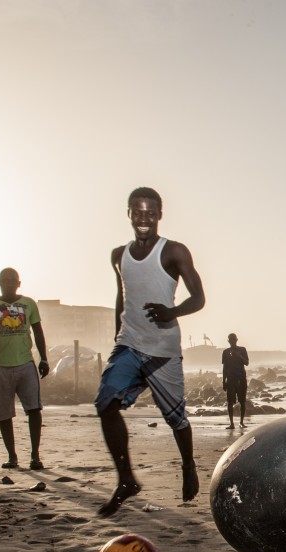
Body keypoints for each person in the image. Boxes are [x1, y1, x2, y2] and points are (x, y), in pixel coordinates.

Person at [95, 187, 205, 517]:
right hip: (129, 344)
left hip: (162, 351)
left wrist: (172, 312)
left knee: (176, 420)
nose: (144, 219)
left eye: (150, 213)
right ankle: (126, 479)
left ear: (160, 215)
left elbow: (199, 298)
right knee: (105, 404)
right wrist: (117, 332)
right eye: (138, 212)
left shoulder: (174, 251)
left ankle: (188, 465)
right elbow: (122, 295)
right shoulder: (119, 255)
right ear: (129, 214)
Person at [0, 268, 50, 470]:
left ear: (19, 283)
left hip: (26, 364)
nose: (9, 283)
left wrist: (44, 359)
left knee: (34, 409)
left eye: (13, 280)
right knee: (4, 414)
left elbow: (38, 331)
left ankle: (35, 456)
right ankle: (12, 457)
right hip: (0, 366)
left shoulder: (29, 303)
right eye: (5, 280)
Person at [222, 333, 249, 429]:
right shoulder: (225, 352)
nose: (232, 341)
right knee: (230, 402)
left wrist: (238, 356)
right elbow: (224, 368)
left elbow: (247, 362)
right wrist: (224, 381)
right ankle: (231, 423)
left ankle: (241, 422)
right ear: (228, 341)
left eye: (233, 339)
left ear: (236, 340)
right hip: (230, 379)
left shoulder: (242, 350)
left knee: (242, 401)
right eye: (230, 340)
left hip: (241, 378)